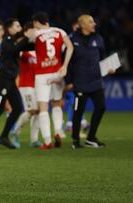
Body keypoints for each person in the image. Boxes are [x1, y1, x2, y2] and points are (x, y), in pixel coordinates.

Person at [0, 18, 36, 149]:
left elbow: (27, 46)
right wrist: (26, 36)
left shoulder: (13, 41)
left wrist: (37, 39)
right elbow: (15, 49)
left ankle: (3, 137)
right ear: (10, 29)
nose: (20, 28)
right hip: (3, 81)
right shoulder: (6, 41)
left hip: (10, 81)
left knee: (18, 108)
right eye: (17, 26)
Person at [67, 15, 114, 149]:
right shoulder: (72, 40)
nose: (94, 24)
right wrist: (69, 81)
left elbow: (103, 57)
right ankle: (75, 140)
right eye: (91, 22)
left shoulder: (98, 39)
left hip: (96, 81)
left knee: (101, 107)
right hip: (80, 82)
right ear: (82, 25)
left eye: (93, 21)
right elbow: (67, 62)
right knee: (78, 112)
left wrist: (108, 68)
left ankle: (91, 137)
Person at [31, 12, 74, 149]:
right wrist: (65, 66)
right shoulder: (60, 31)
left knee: (43, 106)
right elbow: (70, 47)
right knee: (56, 103)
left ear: (37, 22)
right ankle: (58, 132)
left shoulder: (36, 34)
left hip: (42, 74)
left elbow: (27, 43)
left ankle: (48, 141)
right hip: (57, 72)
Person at [10, 22, 42, 148]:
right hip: (26, 84)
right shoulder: (23, 48)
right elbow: (16, 54)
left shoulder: (39, 49)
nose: (36, 33)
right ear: (27, 31)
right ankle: (15, 132)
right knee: (31, 110)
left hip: (38, 84)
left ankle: (34, 139)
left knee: (39, 111)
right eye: (33, 31)